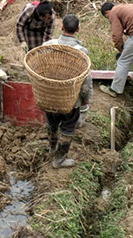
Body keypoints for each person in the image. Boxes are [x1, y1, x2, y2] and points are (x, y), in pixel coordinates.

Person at [43, 15, 92, 168]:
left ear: (61, 28)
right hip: (70, 100)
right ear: (78, 29)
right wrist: (85, 100)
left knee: (52, 123)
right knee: (68, 127)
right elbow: (85, 82)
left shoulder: (48, 45)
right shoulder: (81, 52)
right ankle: (59, 159)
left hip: (50, 96)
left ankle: (52, 148)